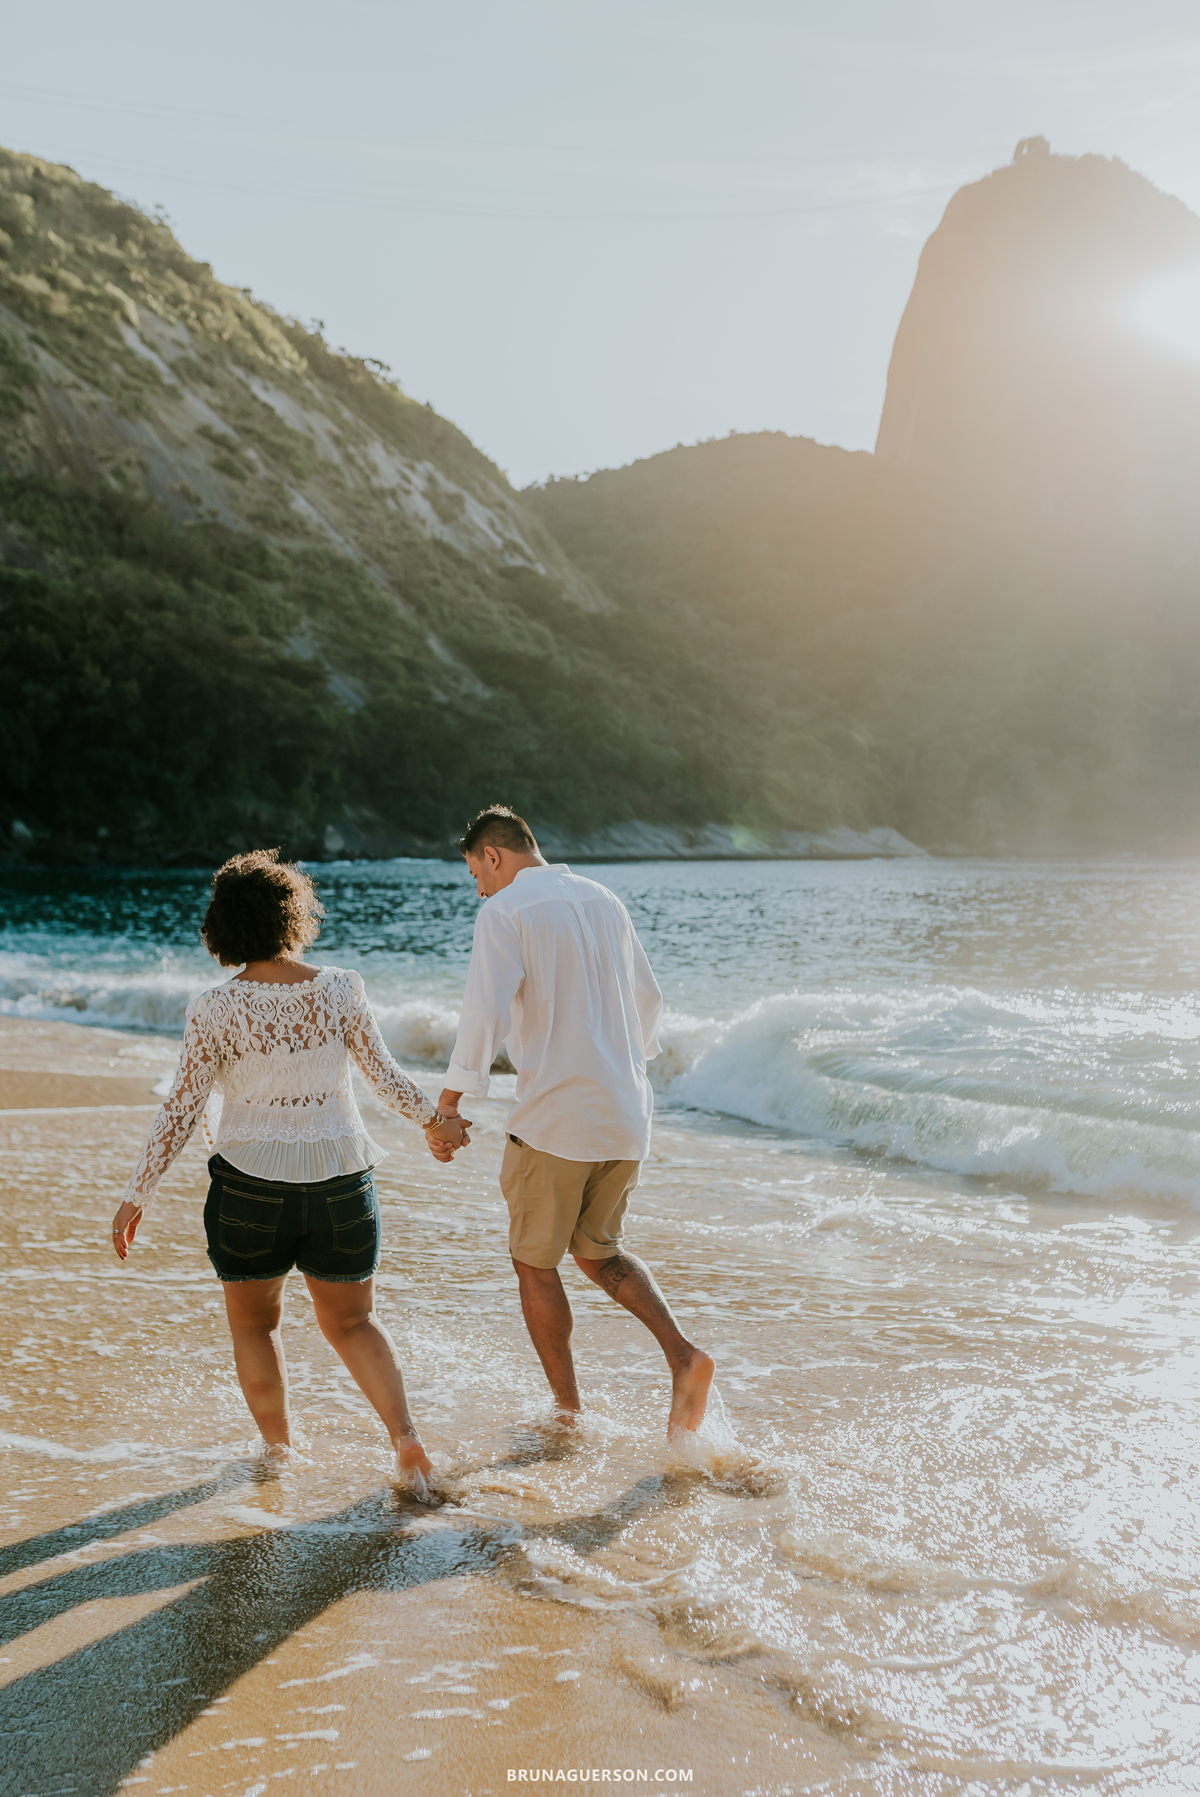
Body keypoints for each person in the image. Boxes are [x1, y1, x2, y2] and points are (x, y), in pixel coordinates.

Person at [109, 849, 469, 1498]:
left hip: (249, 1189)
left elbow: (182, 1109)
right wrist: (434, 1121)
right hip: (341, 1183)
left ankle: (278, 1453)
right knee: (354, 1322)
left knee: (254, 1325)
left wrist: (138, 1193)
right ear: (292, 915)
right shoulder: (340, 987)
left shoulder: (214, 1007)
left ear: (223, 926)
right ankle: (406, 1438)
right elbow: (383, 1077)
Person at [438, 806, 714, 1436]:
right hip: (626, 1110)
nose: (477, 886)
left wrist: (452, 1102)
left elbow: (483, 1015)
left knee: (534, 1262)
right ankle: (683, 1356)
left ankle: (567, 1411)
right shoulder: (603, 898)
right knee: (598, 1249)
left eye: (475, 872)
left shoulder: (504, 911)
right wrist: (618, 1066)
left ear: (494, 855)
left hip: (557, 1117)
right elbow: (650, 999)